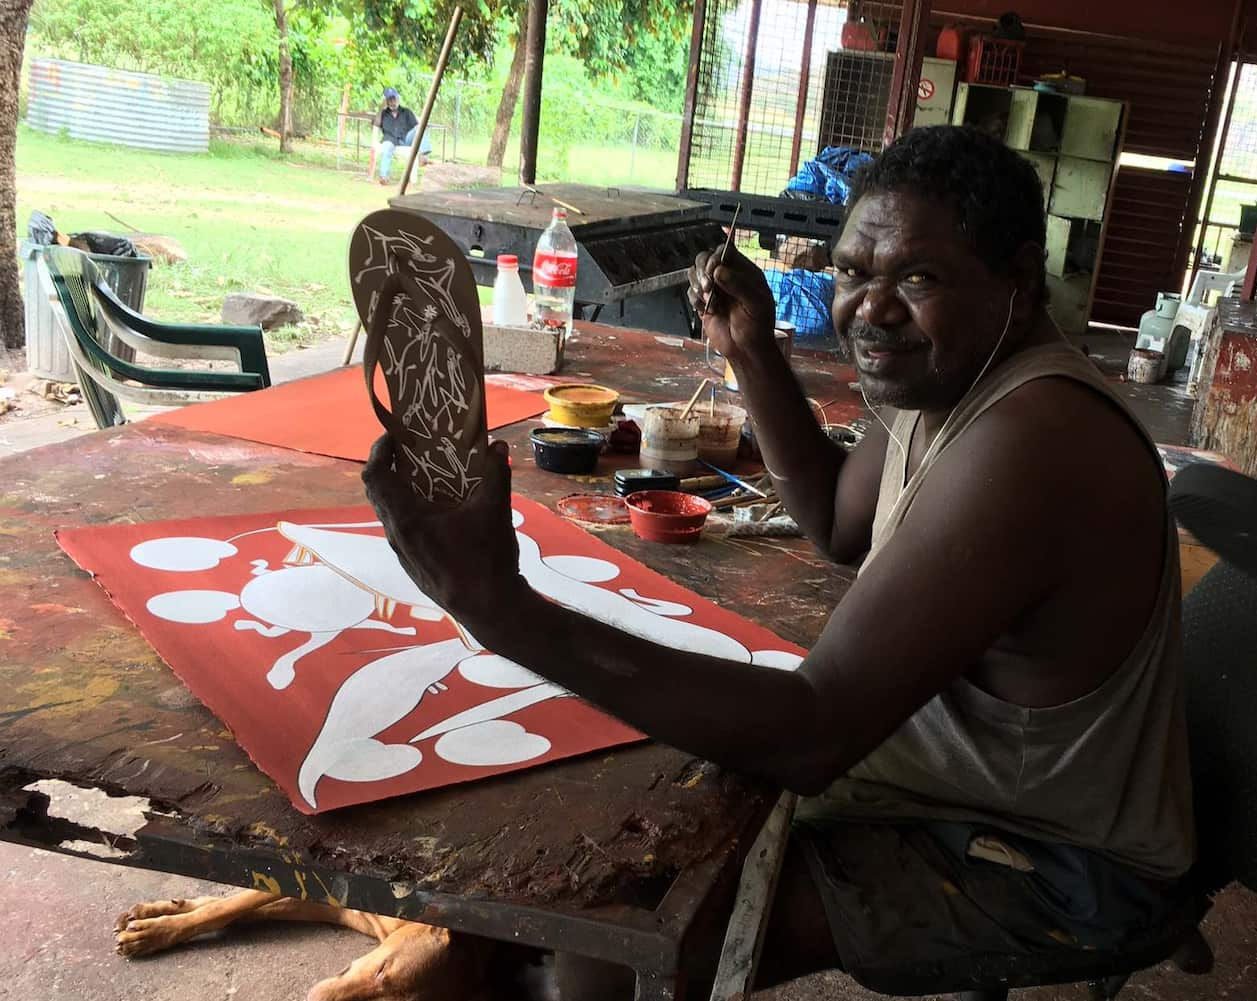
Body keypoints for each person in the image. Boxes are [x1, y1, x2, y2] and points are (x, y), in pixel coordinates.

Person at [364, 126, 1196, 995]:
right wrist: (750, 349)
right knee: (598, 833)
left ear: (1018, 283)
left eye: (918, 278)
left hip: (1057, 859)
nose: (871, 309)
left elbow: (812, 734)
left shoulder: (1032, 442)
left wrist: (498, 606)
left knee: (608, 946)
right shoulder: (951, 373)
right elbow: (837, 519)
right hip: (951, 779)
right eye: (852, 272)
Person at [374, 87, 428, 185]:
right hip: (390, 140)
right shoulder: (383, 114)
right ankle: (384, 176)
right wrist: (382, 108)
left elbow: (416, 127)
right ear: (386, 101)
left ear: (398, 98)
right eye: (390, 99)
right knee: (386, 147)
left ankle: (423, 154)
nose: (393, 102)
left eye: (394, 98)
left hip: (405, 139)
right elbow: (376, 124)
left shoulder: (406, 112)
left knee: (420, 128)